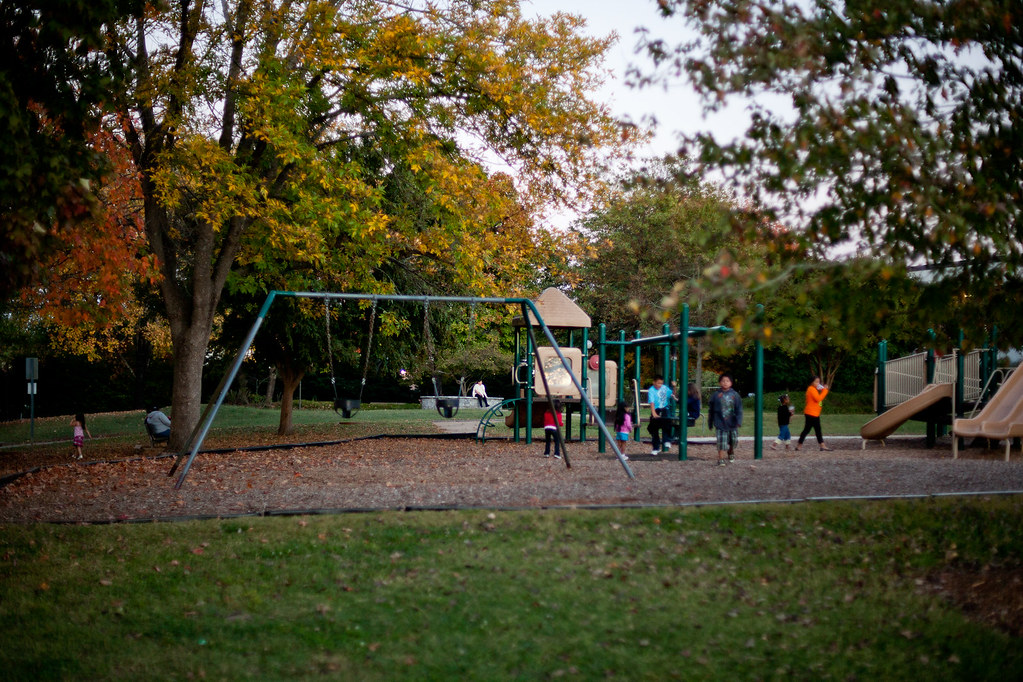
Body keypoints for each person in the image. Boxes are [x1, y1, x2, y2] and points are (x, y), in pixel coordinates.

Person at [708, 372, 743, 466]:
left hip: (732, 423)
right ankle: (721, 459)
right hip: (720, 422)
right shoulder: (715, 395)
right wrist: (710, 422)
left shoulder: (735, 395)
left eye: (727, 381)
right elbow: (711, 410)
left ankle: (730, 451)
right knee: (721, 441)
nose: (725, 383)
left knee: (733, 441)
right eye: (723, 381)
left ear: (731, 383)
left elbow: (739, 409)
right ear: (720, 382)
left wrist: (739, 420)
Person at [796, 376, 832, 451]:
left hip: (813, 413)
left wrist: (822, 389)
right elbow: (818, 399)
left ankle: (799, 445)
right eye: (816, 382)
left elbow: (817, 398)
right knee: (815, 430)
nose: (818, 383)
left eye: (819, 382)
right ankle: (822, 445)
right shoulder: (811, 389)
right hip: (812, 413)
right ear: (812, 382)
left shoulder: (813, 389)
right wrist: (825, 390)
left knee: (809, 430)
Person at [646, 375, 672, 455]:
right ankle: (656, 447)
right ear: (654, 382)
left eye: (661, 383)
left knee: (667, 423)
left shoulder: (664, 388)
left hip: (664, 408)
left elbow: (671, 394)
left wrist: (674, 387)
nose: (660, 385)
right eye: (658, 383)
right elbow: (652, 402)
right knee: (654, 428)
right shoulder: (651, 390)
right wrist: (653, 412)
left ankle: (667, 440)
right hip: (656, 409)